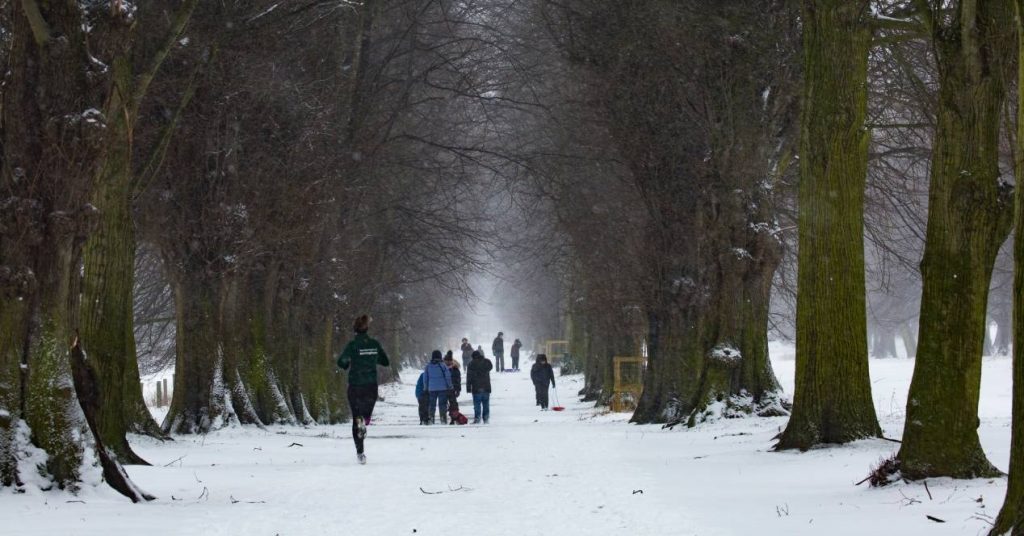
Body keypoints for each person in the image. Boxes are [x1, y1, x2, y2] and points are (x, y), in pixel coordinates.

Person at [336, 315, 390, 464]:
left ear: (355, 329)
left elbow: (341, 362)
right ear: (367, 328)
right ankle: (364, 421)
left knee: (356, 418)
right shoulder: (374, 344)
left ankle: (360, 453)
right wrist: (372, 359)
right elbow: (385, 362)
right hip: (370, 386)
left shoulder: (352, 345)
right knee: (365, 416)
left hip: (355, 386)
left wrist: (348, 364)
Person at [423, 350, 453, 424]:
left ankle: (431, 418)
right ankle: (443, 418)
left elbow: (425, 378)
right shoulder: (443, 366)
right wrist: (450, 386)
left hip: (431, 388)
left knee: (432, 404)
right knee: (442, 404)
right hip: (442, 388)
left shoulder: (428, 366)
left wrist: (426, 387)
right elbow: (448, 377)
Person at [465, 350, 493, 424]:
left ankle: (477, 418)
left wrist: (468, 387)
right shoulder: (486, 362)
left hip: (476, 387)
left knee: (477, 404)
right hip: (486, 386)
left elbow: (469, 377)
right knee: (486, 404)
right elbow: (491, 366)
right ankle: (486, 418)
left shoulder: (471, 364)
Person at [443, 351, 461, 424]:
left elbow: (458, 380)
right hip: (448, 389)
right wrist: (458, 389)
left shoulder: (453, 369)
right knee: (452, 404)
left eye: (449, 361)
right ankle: (451, 418)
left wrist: (458, 389)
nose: (448, 362)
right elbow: (458, 380)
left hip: (448, 389)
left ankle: (452, 418)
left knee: (451, 404)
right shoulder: (453, 369)